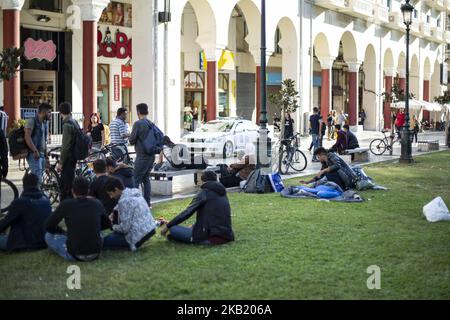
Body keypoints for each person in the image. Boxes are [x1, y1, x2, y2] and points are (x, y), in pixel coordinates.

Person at [160, 170, 234, 246]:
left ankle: (191, 238)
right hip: (226, 235)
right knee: (184, 229)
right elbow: (212, 215)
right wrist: (195, 226)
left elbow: (187, 212)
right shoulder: (222, 192)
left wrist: (168, 226)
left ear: (202, 180)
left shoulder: (204, 192)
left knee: (173, 228)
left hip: (209, 237)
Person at [45, 177, 110, 262]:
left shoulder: (66, 204)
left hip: (74, 254)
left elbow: (49, 225)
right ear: (88, 191)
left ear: (72, 191)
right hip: (95, 253)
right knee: (99, 233)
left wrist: (63, 232)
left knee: (48, 236)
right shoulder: (97, 203)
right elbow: (107, 224)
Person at [0, 173, 52, 252]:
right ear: (37, 184)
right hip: (44, 241)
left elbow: (5, 223)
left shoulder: (21, 202)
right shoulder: (45, 199)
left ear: (24, 185)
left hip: (25, 243)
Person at [103, 177, 157, 251]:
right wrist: (113, 212)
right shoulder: (133, 193)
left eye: (111, 194)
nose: (111, 197)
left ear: (116, 189)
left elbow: (124, 228)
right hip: (149, 229)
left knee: (103, 241)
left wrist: (112, 226)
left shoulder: (124, 202)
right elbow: (118, 206)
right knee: (113, 236)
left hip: (137, 237)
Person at [129, 103, 156, 206]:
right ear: (147, 112)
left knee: (135, 179)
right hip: (151, 156)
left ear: (138, 112)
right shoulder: (151, 123)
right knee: (146, 179)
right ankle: (147, 203)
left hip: (142, 156)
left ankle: (134, 204)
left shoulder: (138, 124)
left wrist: (129, 136)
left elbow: (132, 140)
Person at [24, 103, 52, 186]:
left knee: (39, 181)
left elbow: (44, 142)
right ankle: (36, 197)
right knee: (38, 180)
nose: (50, 114)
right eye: (49, 112)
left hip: (41, 154)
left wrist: (47, 157)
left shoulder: (44, 123)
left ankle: (34, 195)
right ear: (43, 112)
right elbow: (27, 137)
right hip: (34, 154)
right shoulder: (31, 121)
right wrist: (35, 150)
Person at [56, 102, 78, 201]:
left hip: (68, 158)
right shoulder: (74, 121)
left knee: (66, 185)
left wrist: (61, 163)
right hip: (74, 156)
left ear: (60, 112)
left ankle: (66, 207)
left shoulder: (67, 124)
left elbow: (65, 146)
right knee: (70, 182)